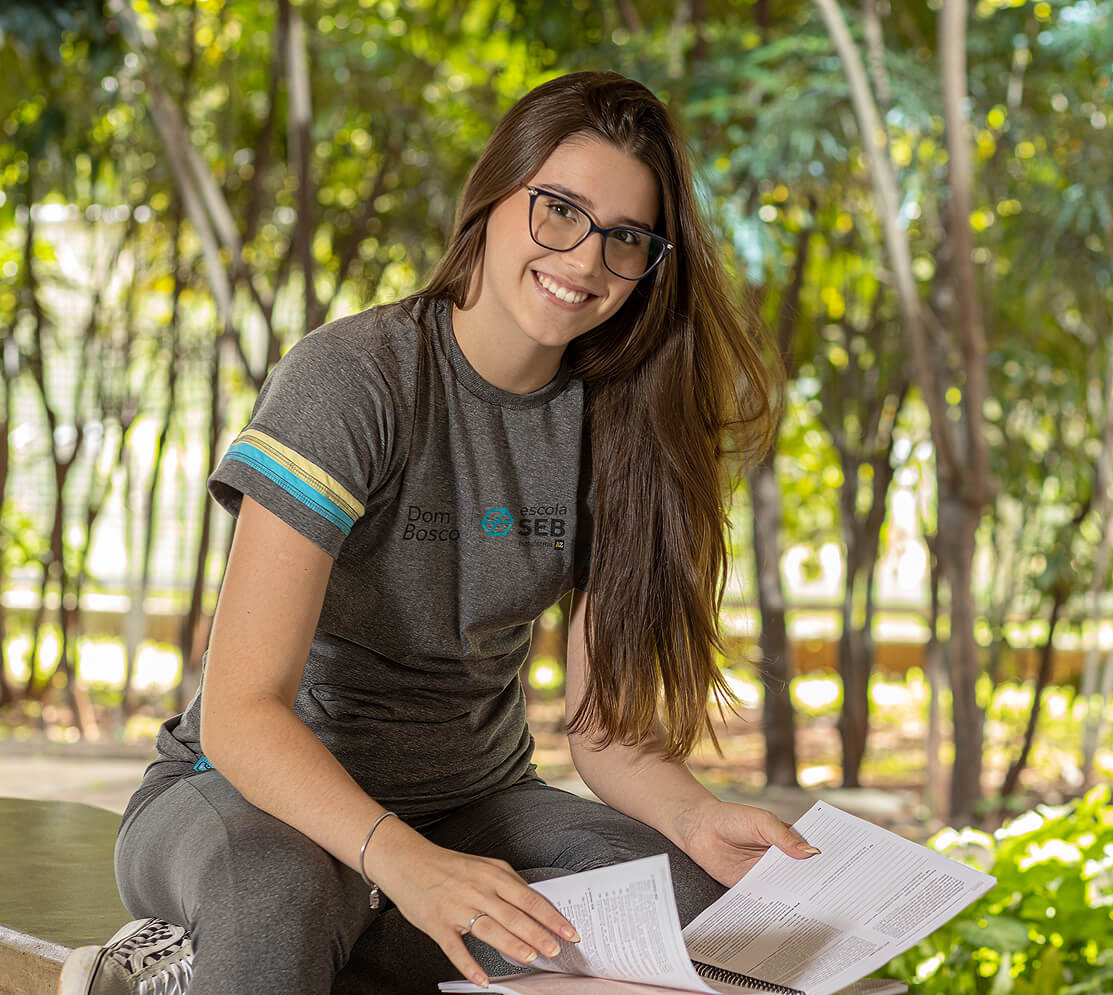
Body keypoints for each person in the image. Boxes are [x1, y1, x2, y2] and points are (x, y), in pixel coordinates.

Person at [60, 70, 809, 995]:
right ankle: (210, 949)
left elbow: (604, 733)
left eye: (625, 238)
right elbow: (242, 712)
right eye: (559, 210)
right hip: (247, 798)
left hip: (475, 803)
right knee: (280, 899)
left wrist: (694, 816)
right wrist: (402, 863)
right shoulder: (354, 378)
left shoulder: (621, 426)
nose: (583, 260)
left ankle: (271, 957)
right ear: (494, 197)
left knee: (690, 904)